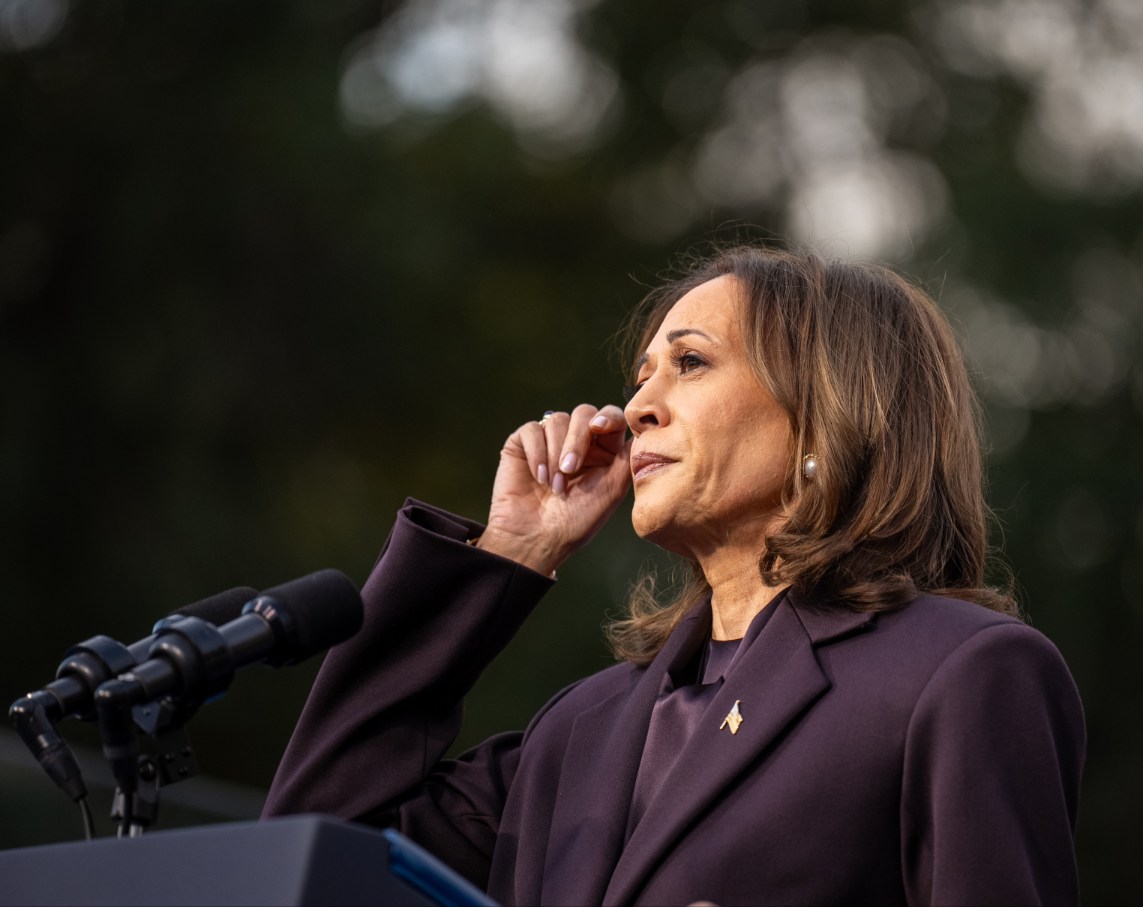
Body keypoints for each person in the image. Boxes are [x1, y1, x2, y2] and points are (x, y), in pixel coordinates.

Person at [262, 245, 1086, 905]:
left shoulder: (959, 673)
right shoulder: (579, 728)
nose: (633, 409)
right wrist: (511, 552)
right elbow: (314, 851)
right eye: (641, 376)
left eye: (689, 363)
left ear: (828, 411)